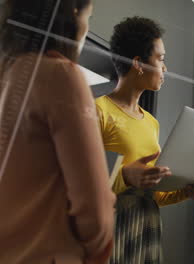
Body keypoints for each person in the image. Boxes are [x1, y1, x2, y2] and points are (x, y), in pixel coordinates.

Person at [0, 0, 116, 263]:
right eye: (88, 16)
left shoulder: (7, 76)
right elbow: (94, 212)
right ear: (73, 14)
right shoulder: (60, 74)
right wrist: (98, 245)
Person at [97, 16, 194, 264]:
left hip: (146, 224)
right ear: (138, 63)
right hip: (109, 227)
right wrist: (125, 176)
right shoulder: (98, 111)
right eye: (160, 59)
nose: (165, 68)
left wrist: (184, 191)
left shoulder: (150, 122)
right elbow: (76, 182)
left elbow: (155, 193)